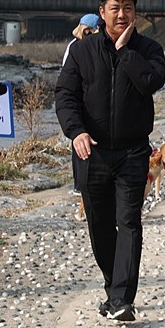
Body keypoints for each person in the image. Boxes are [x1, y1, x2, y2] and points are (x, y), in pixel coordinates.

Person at [55, 0, 165, 322]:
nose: (121, 14)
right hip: (93, 152)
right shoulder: (81, 51)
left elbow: (151, 82)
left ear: (136, 12)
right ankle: (113, 287)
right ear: (101, 12)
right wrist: (76, 132)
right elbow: (65, 96)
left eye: (127, 8)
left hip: (133, 152)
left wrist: (125, 51)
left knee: (129, 222)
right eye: (114, 8)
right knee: (100, 225)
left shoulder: (148, 49)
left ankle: (121, 299)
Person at [62, 13, 100, 196]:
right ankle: (80, 184)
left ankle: (81, 184)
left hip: (82, 102)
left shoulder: (73, 45)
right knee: (80, 144)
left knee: (81, 145)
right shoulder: (77, 47)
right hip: (81, 103)